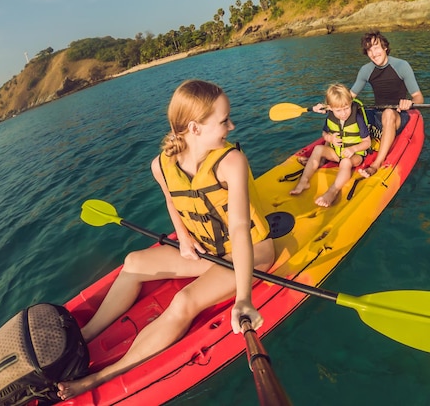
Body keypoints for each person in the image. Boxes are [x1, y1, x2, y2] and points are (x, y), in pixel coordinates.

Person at [57, 80, 275, 400]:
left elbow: (241, 229)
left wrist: (244, 298)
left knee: (184, 301)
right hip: (207, 251)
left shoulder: (231, 162)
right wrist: (184, 239)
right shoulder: (161, 165)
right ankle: (85, 337)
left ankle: (100, 376)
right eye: (224, 120)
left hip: (252, 252)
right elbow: (173, 200)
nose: (232, 125)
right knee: (133, 262)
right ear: (194, 128)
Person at [346, 30, 424, 178]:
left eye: (376, 47)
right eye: (369, 50)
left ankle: (376, 164)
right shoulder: (366, 70)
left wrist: (410, 102)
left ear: (385, 47)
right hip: (377, 114)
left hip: (398, 115)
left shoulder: (401, 66)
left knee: (388, 113)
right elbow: (349, 97)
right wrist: (329, 105)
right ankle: (326, 153)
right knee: (351, 110)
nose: (374, 53)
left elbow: (419, 97)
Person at [290, 83, 371, 207]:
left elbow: (367, 142)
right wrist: (330, 138)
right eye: (339, 110)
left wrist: (353, 148)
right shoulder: (330, 117)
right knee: (318, 149)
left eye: (347, 108)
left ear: (351, 104)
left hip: (355, 155)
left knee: (345, 162)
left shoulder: (357, 119)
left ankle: (332, 191)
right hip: (336, 152)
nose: (343, 113)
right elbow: (324, 133)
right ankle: (304, 181)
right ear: (330, 108)